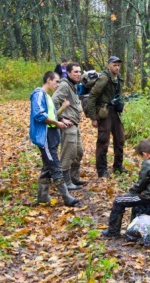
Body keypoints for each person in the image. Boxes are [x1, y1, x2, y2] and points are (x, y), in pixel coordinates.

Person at [102, 139, 150, 238]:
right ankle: (133, 227)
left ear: (144, 154)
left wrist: (130, 193)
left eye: (141, 157)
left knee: (119, 200)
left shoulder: (149, 163)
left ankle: (113, 232)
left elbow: (140, 184)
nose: (142, 159)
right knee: (133, 201)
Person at [29, 71, 79, 207]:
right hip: (45, 136)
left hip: (51, 135)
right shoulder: (38, 94)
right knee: (55, 165)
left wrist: (61, 116)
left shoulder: (46, 96)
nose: (58, 84)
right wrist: (57, 123)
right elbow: (39, 115)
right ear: (49, 80)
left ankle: (43, 196)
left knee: (47, 165)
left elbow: (52, 115)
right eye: (56, 81)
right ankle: (66, 197)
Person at [87, 56, 127, 177]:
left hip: (115, 112)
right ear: (108, 65)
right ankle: (102, 170)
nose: (117, 67)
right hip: (104, 112)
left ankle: (118, 166)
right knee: (103, 141)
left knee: (120, 140)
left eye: (119, 65)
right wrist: (93, 117)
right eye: (114, 65)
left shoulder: (119, 78)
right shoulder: (104, 78)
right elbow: (92, 97)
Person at [52, 62, 85, 191]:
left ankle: (74, 177)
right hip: (68, 125)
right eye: (75, 72)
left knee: (78, 152)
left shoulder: (73, 85)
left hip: (74, 124)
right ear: (69, 73)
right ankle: (64, 182)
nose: (78, 74)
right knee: (68, 153)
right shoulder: (65, 85)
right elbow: (54, 100)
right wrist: (61, 118)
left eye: (79, 71)